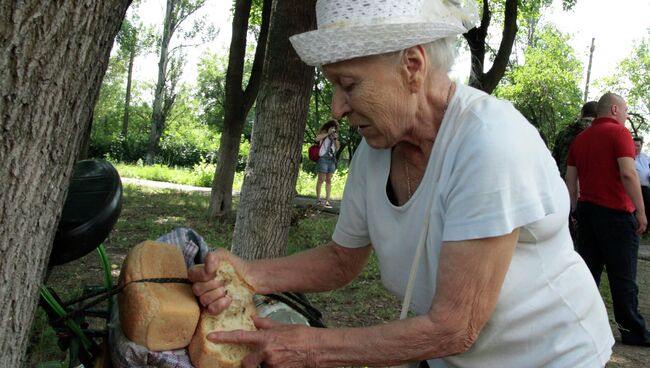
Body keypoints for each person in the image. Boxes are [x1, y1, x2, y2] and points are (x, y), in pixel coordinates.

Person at [189, 1, 614, 366]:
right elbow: (342, 258)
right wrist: (249, 274)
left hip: (552, 357)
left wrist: (314, 348)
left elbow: (456, 326)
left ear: (412, 66)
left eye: (348, 84)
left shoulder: (489, 141)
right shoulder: (374, 152)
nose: (336, 108)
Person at [566, 92, 650, 347]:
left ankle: (580, 326)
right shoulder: (619, 134)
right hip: (616, 214)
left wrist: (573, 212)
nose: (626, 116)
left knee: (588, 273)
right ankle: (632, 330)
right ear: (614, 110)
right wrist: (641, 210)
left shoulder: (580, 139)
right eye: (625, 111)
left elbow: (571, 180)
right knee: (622, 276)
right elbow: (628, 174)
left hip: (587, 212)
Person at [552, 100, 598, 178]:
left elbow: (554, 161)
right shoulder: (600, 133)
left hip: (563, 181)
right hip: (588, 182)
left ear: (582, 113)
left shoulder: (564, 133)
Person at [314, 119, 340, 208]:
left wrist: (335, 139)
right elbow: (316, 139)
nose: (333, 130)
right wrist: (328, 133)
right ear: (328, 128)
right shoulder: (324, 134)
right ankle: (318, 200)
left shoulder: (334, 137)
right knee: (321, 179)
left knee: (329, 180)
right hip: (323, 159)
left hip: (331, 160)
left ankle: (327, 201)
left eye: (335, 129)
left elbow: (337, 148)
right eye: (332, 128)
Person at [634, 137, 650, 224]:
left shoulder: (645, 157)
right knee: (636, 208)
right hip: (634, 187)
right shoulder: (628, 157)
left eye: (638, 145)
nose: (636, 147)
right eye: (634, 145)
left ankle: (646, 228)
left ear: (641, 146)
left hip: (645, 187)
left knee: (648, 205)